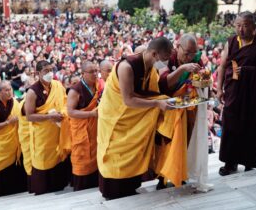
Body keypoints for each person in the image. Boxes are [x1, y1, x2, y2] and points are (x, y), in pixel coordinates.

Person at [97, 37, 173, 200]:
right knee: (116, 153)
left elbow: (150, 92)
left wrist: (160, 101)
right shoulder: (127, 67)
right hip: (115, 117)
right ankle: (113, 192)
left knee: (133, 149)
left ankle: (130, 186)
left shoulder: (151, 67)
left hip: (133, 116)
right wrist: (157, 104)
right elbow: (128, 99)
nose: (165, 64)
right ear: (154, 53)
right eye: (164, 59)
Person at [217, 11, 256, 175]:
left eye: (245, 26)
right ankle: (230, 163)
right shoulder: (232, 42)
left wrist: (247, 71)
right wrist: (219, 89)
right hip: (234, 92)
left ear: (254, 27)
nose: (241, 30)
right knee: (231, 125)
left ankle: (249, 162)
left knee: (252, 126)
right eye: (238, 26)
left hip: (255, 96)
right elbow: (222, 66)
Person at [154, 34, 202, 189]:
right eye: (187, 52)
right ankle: (162, 178)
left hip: (187, 108)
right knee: (165, 143)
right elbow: (163, 84)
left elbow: (201, 78)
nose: (189, 57)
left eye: (193, 53)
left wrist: (201, 78)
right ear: (178, 47)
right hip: (167, 108)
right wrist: (182, 69)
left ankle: (180, 175)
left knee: (184, 142)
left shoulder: (195, 59)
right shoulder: (167, 59)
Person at [25, 60, 71, 195]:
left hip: (58, 130)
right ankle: (42, 188)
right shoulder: (32, 92)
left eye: (51, 70)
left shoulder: (57, 85)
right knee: (43, 159)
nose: (49, 73)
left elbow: (65, 102)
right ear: (38, 73)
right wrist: (49, 117)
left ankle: (60, 184)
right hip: (42, 133)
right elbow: (29, 116)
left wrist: (62, 112)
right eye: (46, 71)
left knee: (58, 156)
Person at [0, 81, 27, 197]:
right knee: (1, 164)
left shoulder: (13, 101)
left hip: (13, 140)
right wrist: (9, 122)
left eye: (10, 89)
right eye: (6, 90)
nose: (10, 92)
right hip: (1, 141)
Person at [67, 61, 100, 191]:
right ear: (83, 74)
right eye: (91, 72)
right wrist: (91, 113)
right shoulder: (75, 90)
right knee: (81, 158)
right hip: (81, 130)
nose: (95, 74)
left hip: (96, 129)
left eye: (96, 71)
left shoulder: (98, 86)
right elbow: (70, 112)